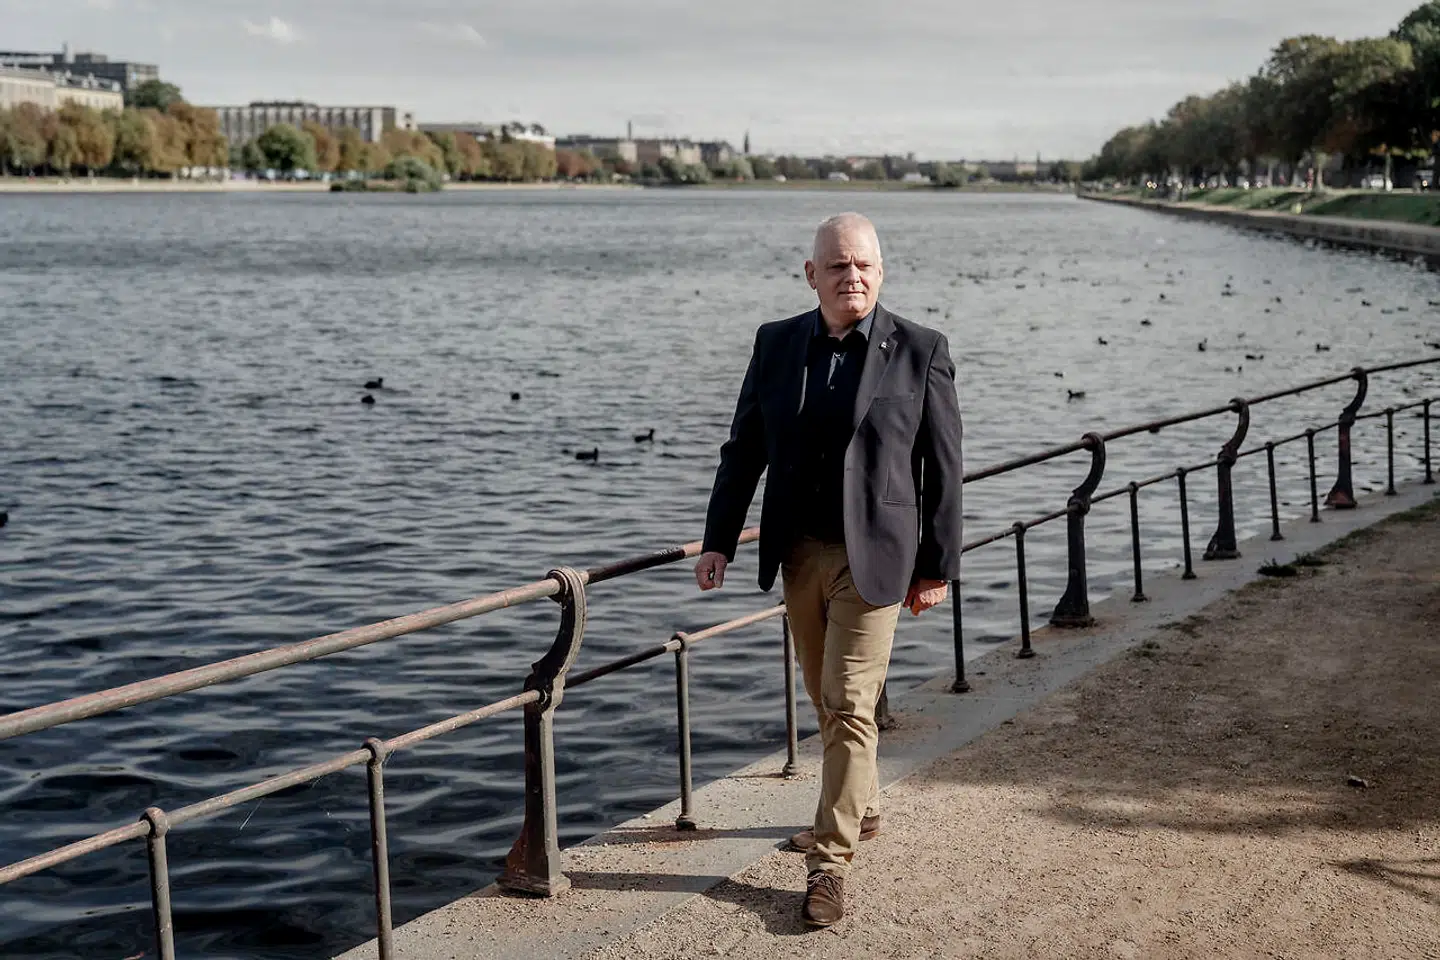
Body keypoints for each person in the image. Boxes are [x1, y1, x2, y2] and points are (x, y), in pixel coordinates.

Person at [694, 213, 964, 928]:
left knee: (847, 699)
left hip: (877, 557)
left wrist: (937, 565)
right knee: (824, 694)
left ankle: (830, 863)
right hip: (798, 552)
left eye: (865, 266)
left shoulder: (921, 351)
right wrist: (718, 538)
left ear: (882, 271)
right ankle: (863, 807)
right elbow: (744, 445)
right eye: (838, 266)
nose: (853, 278)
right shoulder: (776, 344)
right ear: (811, 274)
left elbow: (945, 468)